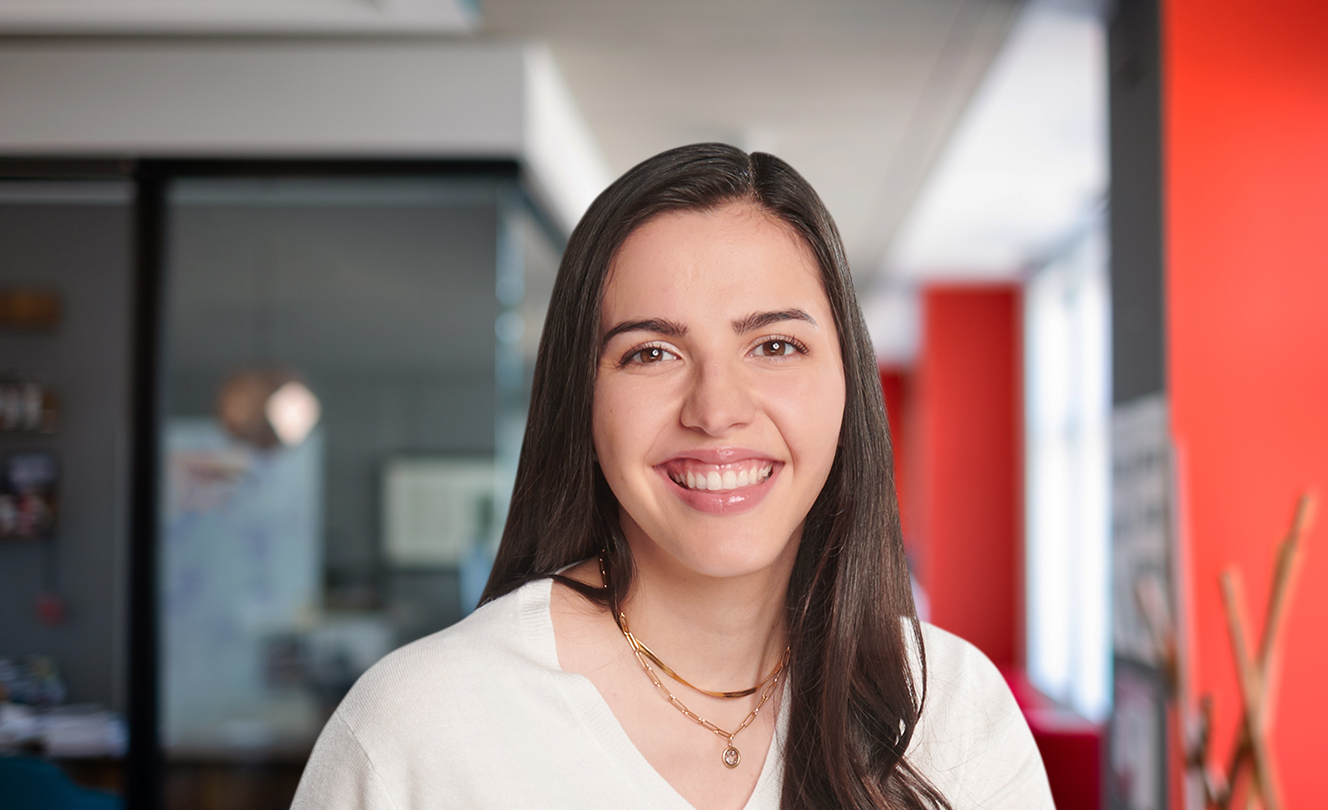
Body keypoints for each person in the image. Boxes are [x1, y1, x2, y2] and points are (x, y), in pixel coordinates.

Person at [290, 144, 1054, 810]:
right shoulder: (418, 729)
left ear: (848, 384)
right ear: (581, 400)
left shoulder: (949, 712)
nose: (717, 410)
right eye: (651, 353)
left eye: (775, 346)